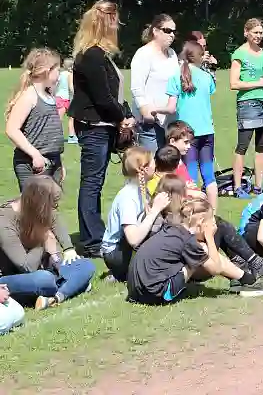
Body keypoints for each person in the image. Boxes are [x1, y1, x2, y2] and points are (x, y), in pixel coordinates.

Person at [69, 0, 134, 258]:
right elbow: (103, 98)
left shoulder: (98, 55)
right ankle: (92, 240)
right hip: (95, 126)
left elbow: (111, 95)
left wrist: (124, 113)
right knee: (92, 183)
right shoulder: (92, 56)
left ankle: (93, 235)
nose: (116, 28)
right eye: (114, 23)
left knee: (95, 182)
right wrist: (122, 118)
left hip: (103, 125)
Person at [126, 197, 263, 304]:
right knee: (205, 252)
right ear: (201, 222)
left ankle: (243, 279)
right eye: (212, 222)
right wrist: (209, 237)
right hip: (156, 295)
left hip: (135, 292)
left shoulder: (172, 228)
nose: (214, 226)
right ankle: (249, 282)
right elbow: (215, 268)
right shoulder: (187, 239)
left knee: (200, 253)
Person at [0, 175, 96, 310]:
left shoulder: (34, 208)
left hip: (44, 269)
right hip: (12, 277)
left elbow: (55, 219)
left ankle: (55, 298)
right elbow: (26, 267)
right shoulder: (4, 221)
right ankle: (72, 286)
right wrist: (43, 242)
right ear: (39, 202)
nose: (53, 209)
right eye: (52, 204)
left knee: (86, 265)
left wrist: (68, 248)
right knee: (44, 280)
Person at [160, 40, 217, 204]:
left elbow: (171, 108)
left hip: (187, 134)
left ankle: (193, 214)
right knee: (209, 176)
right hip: (207, 131)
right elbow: (211, 92)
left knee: (190, 176)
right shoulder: (207, 77)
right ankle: (212, 215)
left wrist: (155, 110)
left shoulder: (176, 77)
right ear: (199, 57)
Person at [101, 147, 167, 281]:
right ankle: (123, 271)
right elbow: (133, 239)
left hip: (123, 250)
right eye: (152, 160)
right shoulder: (128, 197)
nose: (155, 163)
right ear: (144, 168)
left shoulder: (138, 188)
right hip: (116, 254)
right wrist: (155, 210)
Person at [6, 48, 66, 190]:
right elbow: (12, 129)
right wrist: (35, 155)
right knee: (34, 209)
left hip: (52, 160)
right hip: (33, 163)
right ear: (46, 71)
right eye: (57, 70)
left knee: (49, 208)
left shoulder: (49, 95)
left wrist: (59, 163)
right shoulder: (29, 96)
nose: (60, 74)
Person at [230, 19, 263, 194]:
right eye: (255, 32)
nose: (259, 36)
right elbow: (234, 83)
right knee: (242, 147)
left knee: (261, 147)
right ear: (246, 32)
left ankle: (258, 185)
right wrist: (258, 83)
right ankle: (238, 186)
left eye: (261, 33)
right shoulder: (239, 54)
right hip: (248, 104)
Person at [130, 14, 180, 153]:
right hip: (150, 123)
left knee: (168, 167)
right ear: (155, 31)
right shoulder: (144, 54)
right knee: (150, 166)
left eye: (174, 32)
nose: (172, 35)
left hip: (170, 122)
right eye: (167, 31)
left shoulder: (172, 54)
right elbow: (136, 87)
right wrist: (145, 111)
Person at [54, 57, 77, 144]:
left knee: (60, 119)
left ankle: (58, 135)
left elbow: (55, 84)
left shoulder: (61, 74)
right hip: (65, 99)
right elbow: (71, 88)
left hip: (60, 97)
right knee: (70, 119)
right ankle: (70, 136)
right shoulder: (70, 75)